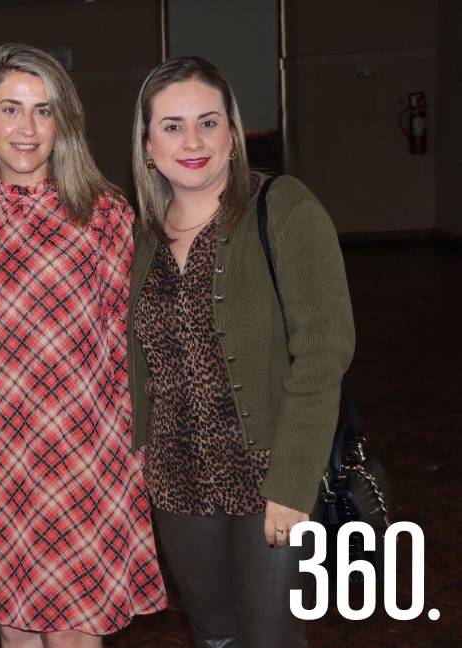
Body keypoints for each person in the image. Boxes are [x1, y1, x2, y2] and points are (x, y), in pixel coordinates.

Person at [0, 43, 166, 647]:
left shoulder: (104, 215)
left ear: (62, 123)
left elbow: (128, 343)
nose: (27, 127)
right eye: (12, 109)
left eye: (44, 111)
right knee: (14, 632)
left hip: (80, 455)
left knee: (72, 635)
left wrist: (133, 453)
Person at [128, 56, 355, 647]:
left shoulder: (281, 207)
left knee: (271, 637)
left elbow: (325, 350)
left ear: (232, 130)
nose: (193, 140)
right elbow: (135, 358)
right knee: (213, 634)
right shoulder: (141, 236)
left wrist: (293, 482)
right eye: (172, 126)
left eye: (208, 121)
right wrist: (137, 451)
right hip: (178, 481)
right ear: (148, 144)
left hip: (271, 475)